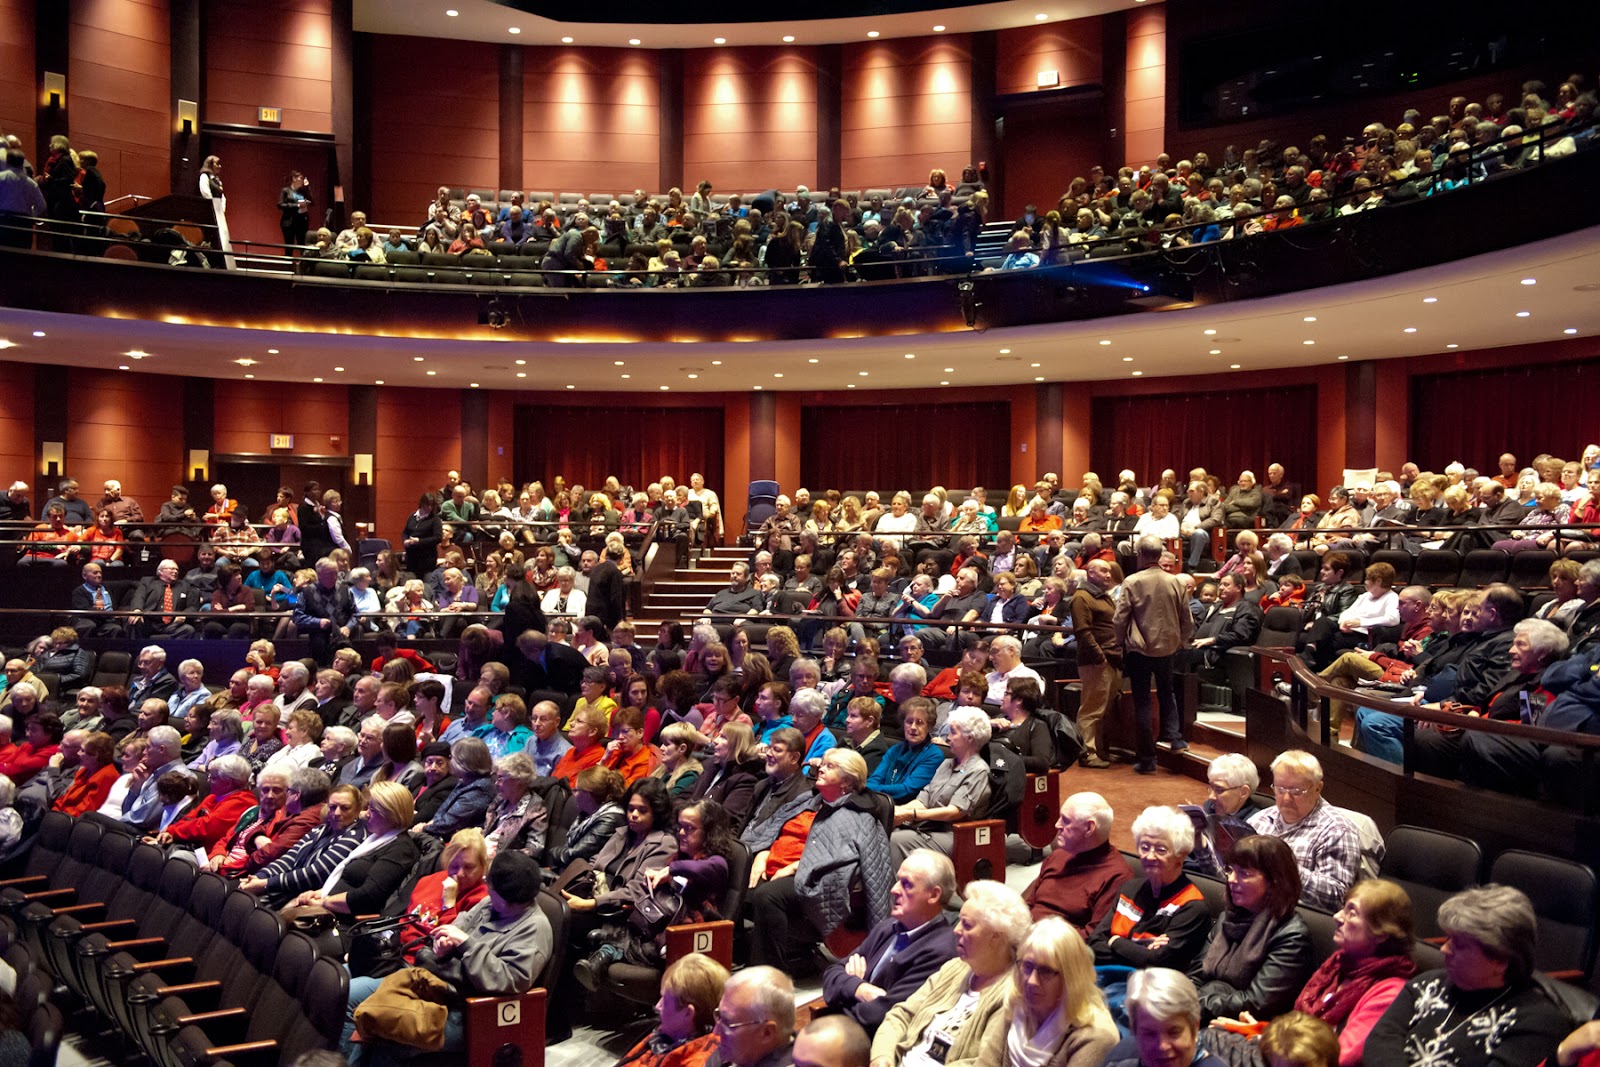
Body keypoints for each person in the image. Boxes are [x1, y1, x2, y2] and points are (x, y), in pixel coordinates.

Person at [341, 850, 551, 1065]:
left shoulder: (534, 929)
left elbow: (509, 980)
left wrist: (466, 944)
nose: (505, 906)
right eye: (500, 897)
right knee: (346, 993)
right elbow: (460, 925)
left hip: (468, 1010)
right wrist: (444, 941)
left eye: (514, 903)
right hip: (434, 985)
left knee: (385, 1029)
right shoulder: (490, 903)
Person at [1365, 885, 1568, 1067]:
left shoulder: (1537, 1022)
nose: (1444, 949)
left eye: (1459, 945)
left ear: (1500, 960)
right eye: (1448, 938)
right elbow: (1381, 1039)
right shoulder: (1428, 983)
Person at [748, 748, 893, 968]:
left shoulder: (858, 816)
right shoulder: (809, 800)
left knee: (768, 895)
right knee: (733, 867)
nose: (821, 769)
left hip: (815, 878)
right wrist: (762, 853)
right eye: (823, 764)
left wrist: (795, 867)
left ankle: (768, 974)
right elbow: (771, 831)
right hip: (777, 862)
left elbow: (845, 861)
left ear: (847, 781)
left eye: (830, 766)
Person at [869, 881, 1032, 1067]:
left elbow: (984, 1063)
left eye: (967, 925)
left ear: (996, 936)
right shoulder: (953, 968)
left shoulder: (1012, 994)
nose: (956, 930)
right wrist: (882, 1057)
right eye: (959, 921)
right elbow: (901, 1014)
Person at [820, 849, 959, 1034]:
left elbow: (881, 1015)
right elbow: (831, 974)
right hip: (845, 1028)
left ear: (933, 895)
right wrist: (860, 988)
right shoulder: (887, 927)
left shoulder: (940, 951)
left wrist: (845, 990)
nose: (894, 889)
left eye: (906, 884)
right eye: (898, 880)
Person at [1190, 835, 1315, 1023]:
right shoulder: (1227, 917)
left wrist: (1191, 1005)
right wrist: (1178, 998)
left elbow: (1256, 1003)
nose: (1231, 879)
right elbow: (1197, 976)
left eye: (1244, 874)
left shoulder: (1292, 935)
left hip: (1247, 1026)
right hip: (1205, 1012)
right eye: (1230, 870)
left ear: (1275, 881)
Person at [1090, 806, 1210, 973]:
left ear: (1181, 855)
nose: (1150, 856)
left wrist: (1114, 941)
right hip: (1100, 974)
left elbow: (1156, 962)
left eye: (1161, 850)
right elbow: (1094, 943)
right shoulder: (1129, 889)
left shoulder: (1192, 906)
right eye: (1144, 847)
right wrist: (1141, 949)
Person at [986, 916, 1119, 1067]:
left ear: (1071, 978)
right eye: (1027, 966)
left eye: (1046, 971)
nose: (1031, 981)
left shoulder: (1097, 1037)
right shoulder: (1018, 1003)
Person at [1248, 751, 1365, 912]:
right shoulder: (1259, 820)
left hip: (1297, 918)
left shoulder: (1337, 831)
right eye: (1280, 789)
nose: (1286, 798)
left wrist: (1286, 868)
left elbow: (1338, 897)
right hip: (1251, 908)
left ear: (1317, 788)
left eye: (1296, 791)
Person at [1115, 536, 1195, 771]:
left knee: (1142, 701)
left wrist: (1119, 642)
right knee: (1167, 692)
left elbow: (1120, 618)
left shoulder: (1132, 581)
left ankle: (1147, 759)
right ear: (1159, 555)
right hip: (1168, 647)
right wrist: (1180, 642)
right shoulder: (1176, 581)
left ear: (1140, 554)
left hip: (1139, 649)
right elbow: (1187, 619)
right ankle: (1175, 738)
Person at [888, 706, 991, 867]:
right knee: (885, 828)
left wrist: (911, 815)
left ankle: (897, 883)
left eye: (953, 732)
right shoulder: (946, 763)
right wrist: (897, 811)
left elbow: (955, 811)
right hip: (929, 826)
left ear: (970, 738)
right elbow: (924, 799)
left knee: (896, 839)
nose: (948, 738)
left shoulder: (978, 770)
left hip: (955, 833)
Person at [1023, 793, 1129, 936]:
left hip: (1061, 946)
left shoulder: (1117, 876)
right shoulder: (1058, 855)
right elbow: (1028, 904)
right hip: (1025, 936)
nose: (1057, 825)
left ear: (1089, 828)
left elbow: (1094, 936)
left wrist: (1039, 939)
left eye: (1066, 821)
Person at [615, 953, 731, 1067]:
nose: (658, 1006)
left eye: (665, 1001)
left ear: (688, 1013)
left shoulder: (696, 1061)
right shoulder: (666, 1035)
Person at [1106, 969, 1225, 1067]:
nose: (1162, 1046)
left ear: (1195, 1028)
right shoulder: (1118, 1059)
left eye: (1174, 1032)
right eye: (1149, 1034)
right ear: (1134, 1031)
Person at [714, 965, 797, 1067]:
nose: (716, 1031)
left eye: (728, 1023)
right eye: (719, 1015)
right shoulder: (736, 1053)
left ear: (767, 1033)